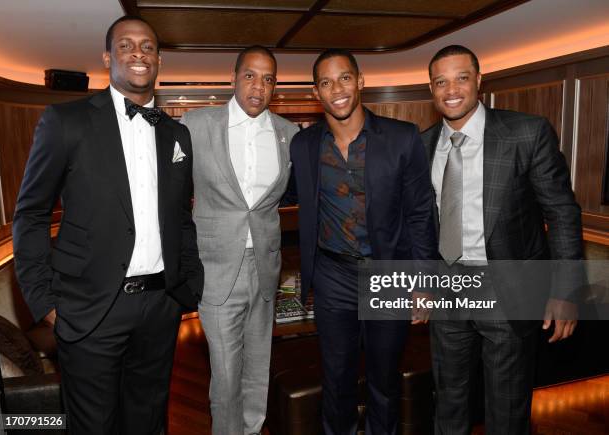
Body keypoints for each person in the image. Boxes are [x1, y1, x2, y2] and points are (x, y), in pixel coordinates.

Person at [12, 15, 203, 434]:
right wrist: (44, 303)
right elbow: (30, 214)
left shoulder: (177, 135)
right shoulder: (66, 122)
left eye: (148, 46)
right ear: (107, 58)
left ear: (159, 59)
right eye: (126, 45)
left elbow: (181, 218)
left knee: (149, 421)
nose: (139, 52)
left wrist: (189, 285)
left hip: (161, 307)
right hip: (90, 307)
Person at [422, 44, 582, 434]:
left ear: (479, 80)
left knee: (507, 408)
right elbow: (420, 224)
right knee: (449, 400)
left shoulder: (526, 132)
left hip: (508, 287)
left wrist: (565, 292)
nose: (451, 89)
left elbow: (561, 213)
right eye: (440, 81)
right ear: (431, 89)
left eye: (461, 77)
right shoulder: (422, 144)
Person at [286, 49, 436, 435]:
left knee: (383, 380)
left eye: (344, 78)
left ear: (360, 81)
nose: (336, 89)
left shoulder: (402, 138)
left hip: (388, 274)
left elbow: (421, 213)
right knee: (336, 378)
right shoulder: (303, 147)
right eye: (325, 82)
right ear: (316, 91)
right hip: (332, 275)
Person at [180, 45, 298, 435]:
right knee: (227, 372)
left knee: (257, 366)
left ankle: (252, 429)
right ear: (233, 78)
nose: (258, 86)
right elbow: (172, 195)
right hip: (216, 268)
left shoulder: (288, 134)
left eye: (268, 79)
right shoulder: (196, 125)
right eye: (250, 75)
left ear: (274, 87)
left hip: (265, 268)